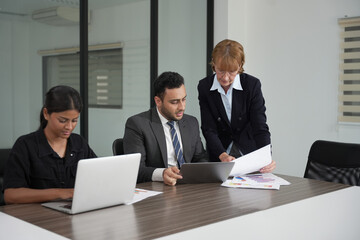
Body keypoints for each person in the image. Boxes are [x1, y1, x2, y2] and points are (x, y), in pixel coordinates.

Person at [3, 85, 96, 204]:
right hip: (38, 217)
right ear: (46, 113)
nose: (69, 127)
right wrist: (62, 193)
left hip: (75, 213)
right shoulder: (25, 145)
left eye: (74, 120)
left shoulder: (79, 143)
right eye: (62, 120)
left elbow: (98, 178)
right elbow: (11, 195)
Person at [198, 39, 275, 172]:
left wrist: (266, 157)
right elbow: (209, 128)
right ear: (214, 64)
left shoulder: (252, 85)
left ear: (240, 66)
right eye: (221, 71)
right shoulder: (204, 87)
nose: (225, 78)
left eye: (232, 72)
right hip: (219, 154)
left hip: (249, 154)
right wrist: (222, 155)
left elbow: (260, 126)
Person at [123, 71, 208, 185]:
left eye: (183, 99)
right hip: (158, 190)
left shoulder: (191, 122)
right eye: (174, 102)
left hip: (189, 187)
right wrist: (162, 174)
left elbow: (200, 158)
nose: (182, 107)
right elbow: (136, 169)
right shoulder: (137, 124)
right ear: (158, 101)